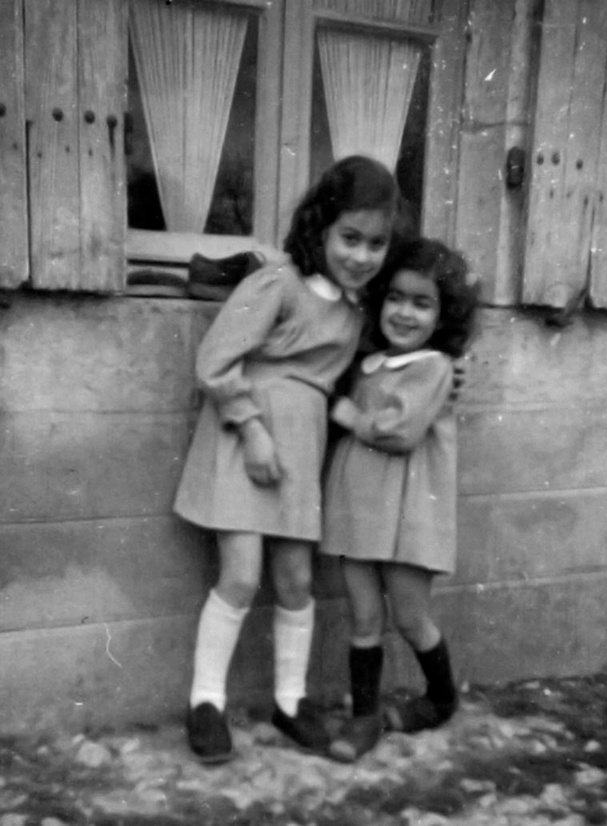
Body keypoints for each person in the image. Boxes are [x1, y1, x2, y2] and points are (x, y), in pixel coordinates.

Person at [174, 155, 406, 763]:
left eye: (376, 244)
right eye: (349, 238)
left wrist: (449, 370)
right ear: (321, 228)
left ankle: (290, 700)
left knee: (298, 582)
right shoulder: (278, 283)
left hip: (300, 453)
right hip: (243, 436)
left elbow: (399, 357)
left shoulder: (357, 315)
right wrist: (250, 429)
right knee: (242, 574)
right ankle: (205, 703)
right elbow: (214, 360)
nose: (360, 255)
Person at [320, 237, 479, 762]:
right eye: (395, 298)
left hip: (410, 517)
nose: (404, 312)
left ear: (443, 315)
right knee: (364, 617)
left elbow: (402, 431)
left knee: (411, 618)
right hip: (357, 511)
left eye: (422, 303)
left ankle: (441, 698)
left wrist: (349, 417)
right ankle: (364, 719)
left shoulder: (435, 367)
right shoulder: (366, 364)